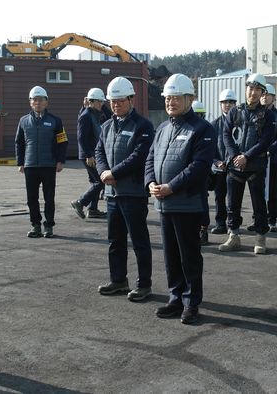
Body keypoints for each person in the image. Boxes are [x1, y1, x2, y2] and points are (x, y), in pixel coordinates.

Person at [145, 73, 215, 325]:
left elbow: (199, 166)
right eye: (168, 98)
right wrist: (150, 183)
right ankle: (175, 297)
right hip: (164, 204)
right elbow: (150, 159)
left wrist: (171, 187)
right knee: (171, 255)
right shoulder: (163, 128)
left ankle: (191, 302)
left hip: (187, 203)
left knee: (189, 256)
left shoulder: (202, 129)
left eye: (176, 97)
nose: (171, 102)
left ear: (190, 98)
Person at [94, 77, 154, 301]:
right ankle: (118, 280)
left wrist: (114, 173)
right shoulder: (107, 126)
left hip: (133, 192)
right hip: (112, 194)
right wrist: (103, 172)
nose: (116, 105)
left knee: (139, 241)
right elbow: (99, 151)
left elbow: (139, 156)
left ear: (131, 99)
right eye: (112, 101)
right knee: (115, 241)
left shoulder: (143, 126)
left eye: (120, 101)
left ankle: (144, 284)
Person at [218, 73, 276, 254]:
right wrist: (236, 155)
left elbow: (266, 140)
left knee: (259, 205)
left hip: (255, 167)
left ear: (262, 93)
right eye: (250, 89)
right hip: (234, 167)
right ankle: (233, 236)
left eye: (257, 90)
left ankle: (260, 238)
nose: (253, 93)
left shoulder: (267, 115)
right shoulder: (235, 111)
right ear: (246, 90)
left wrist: (247, 157)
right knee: (232, 204)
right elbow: (226, 134)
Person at [15, 86, 68, 238]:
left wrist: (60, 161)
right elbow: (19, 142)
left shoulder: (55, 121)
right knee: (32, 198)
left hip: (48, 165)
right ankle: (36, 225)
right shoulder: (24, 121)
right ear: (30, 102)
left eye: (41, 100)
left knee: (49, 197)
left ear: (46, 102)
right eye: (35, 100)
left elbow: (62, 142)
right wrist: (20, 162)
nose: (38, 102)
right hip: (30, 165)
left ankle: (49, 226)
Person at [246, 83, 277, 233]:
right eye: (262, 94)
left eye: (267, 95)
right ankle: (258, 219)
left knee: (272, 190)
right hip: (257, 159)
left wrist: (268, 149)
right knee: (257, 191)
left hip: (273, 159)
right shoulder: (254, 113)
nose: (263, 97)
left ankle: (272, 220)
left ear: (273, 98)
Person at [70, 88, 107, 220]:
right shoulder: (86, 116)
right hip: (89, 155)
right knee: (100, 181)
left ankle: (93, 210)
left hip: (93, 153)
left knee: (95, 182)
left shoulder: (95, 113)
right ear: (92, 102)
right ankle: (80, 202)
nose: (101, 104)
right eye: (99, 102)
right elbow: (81, 137)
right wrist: (88, 155)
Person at [210, 89, 237, 236]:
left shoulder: (240, 122)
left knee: (234, 199)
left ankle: (234, 225)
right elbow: (210, 148)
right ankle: (221, 224)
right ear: (220, 104)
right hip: (220, 168)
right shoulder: (214, 125)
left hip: (235, 168)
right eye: (225, 102)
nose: (228, 105)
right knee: (219, 197)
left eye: (231, 102)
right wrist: (217, 161)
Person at [192, 100, 211, 245]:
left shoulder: (207, 129)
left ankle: (203, 230)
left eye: (200, 114)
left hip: (202, 173)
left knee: (202, 202)